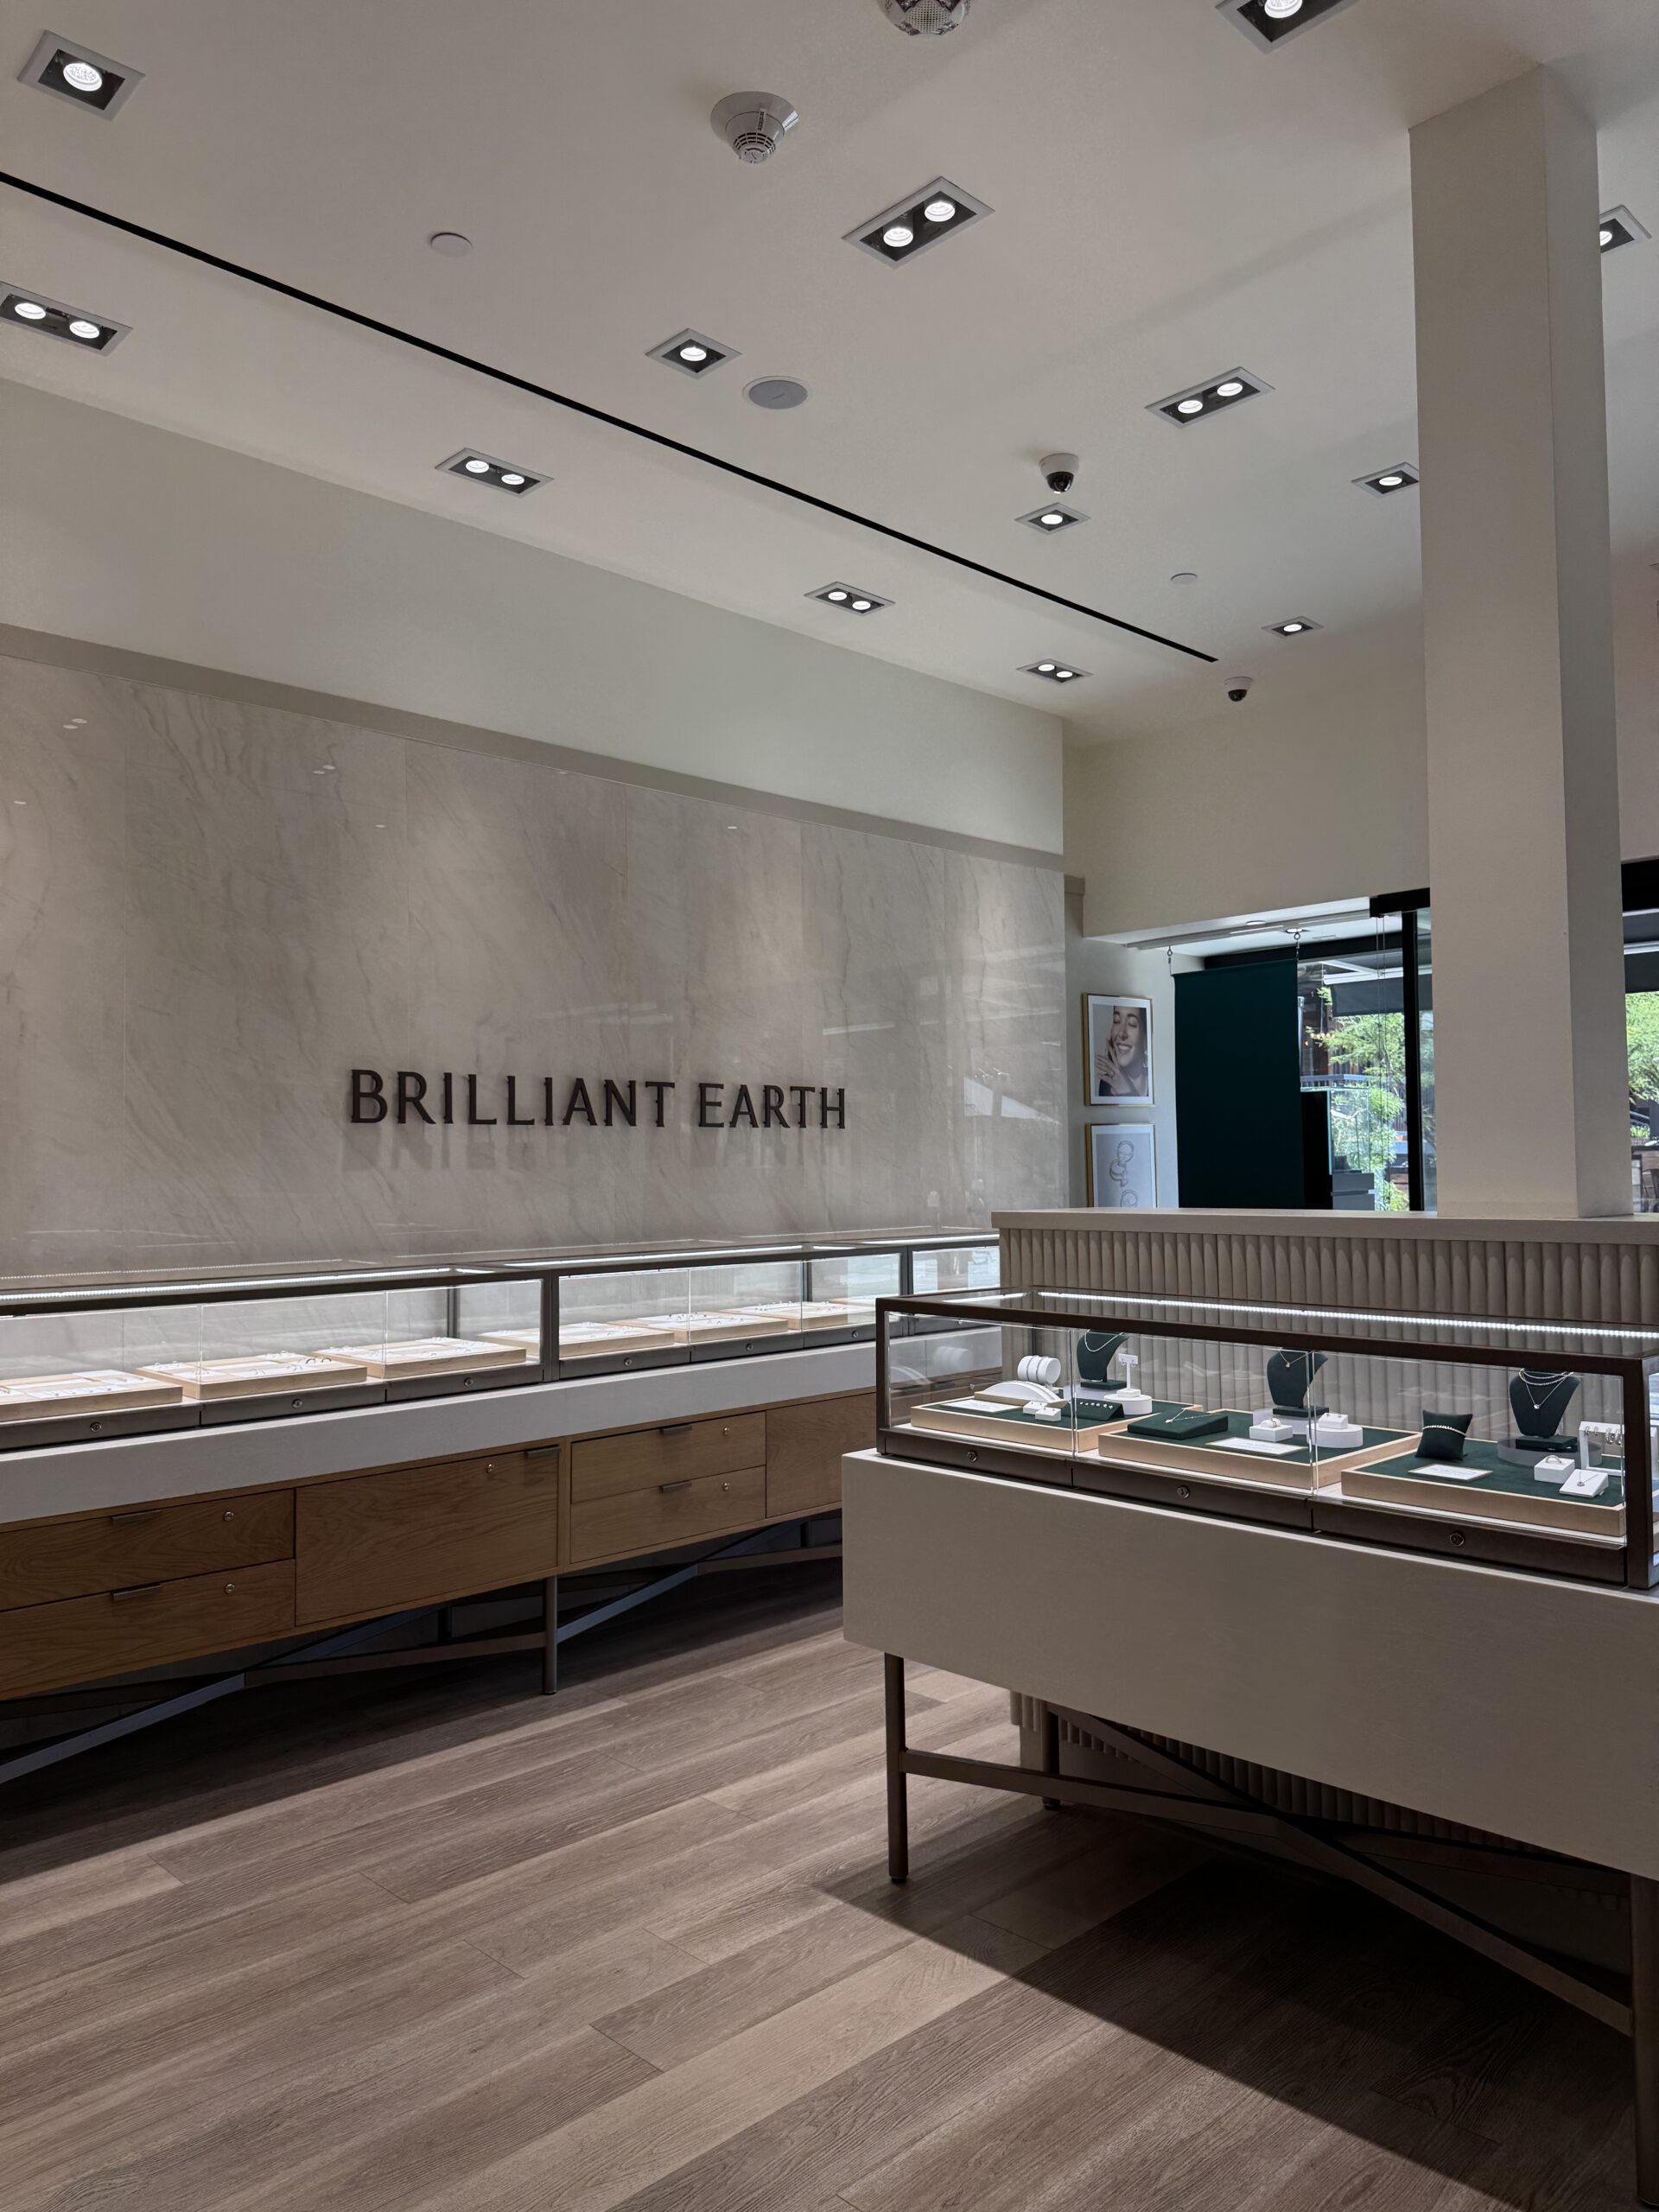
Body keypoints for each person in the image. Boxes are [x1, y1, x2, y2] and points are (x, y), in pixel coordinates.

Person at [1096, 1003, 1149, 1099]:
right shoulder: (1107, 1084)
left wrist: (1127, 1093)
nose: (1121, 1033)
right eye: (1116, 1021)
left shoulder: (1158, 1082)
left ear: (1146, 1039)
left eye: (1132, 1024)